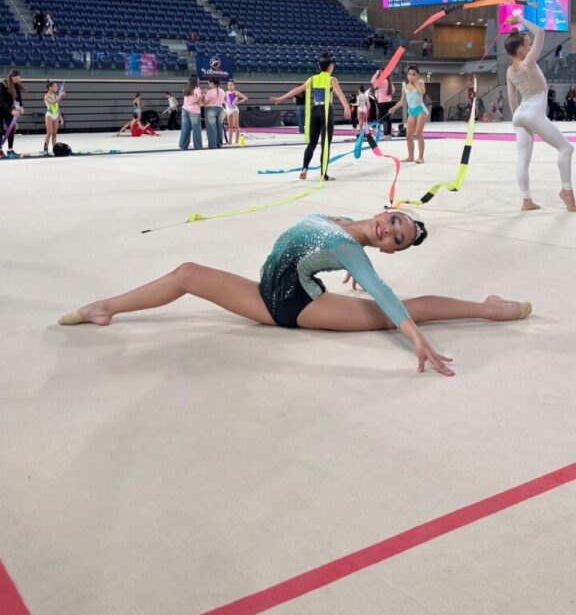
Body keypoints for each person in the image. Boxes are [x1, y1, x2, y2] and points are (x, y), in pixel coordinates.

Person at [58, 210, 533, 377]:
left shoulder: (351, 249)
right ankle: (104, 307)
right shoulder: (338, 224)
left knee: (402, 311)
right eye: (395, 222)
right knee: (187, 273)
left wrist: (416, 340)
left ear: (390, 250)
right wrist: (351, 268)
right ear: (386, 210)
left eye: (397, 239)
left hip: (297, 306)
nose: (389, 231)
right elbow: (320, 249)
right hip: (266, 295)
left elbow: (382, 289)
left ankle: (491, 310)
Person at [505, 13, 575, 212]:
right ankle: (566, 192)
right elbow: (540, 32)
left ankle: (526, 200)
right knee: (566, 149)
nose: (531, 47)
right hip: (533, 112)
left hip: (520, 114)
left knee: (523, 159)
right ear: (522, 50)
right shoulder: (528, 62)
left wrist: (518, 119)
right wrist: (520, 21)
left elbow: (512, 100)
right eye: (529, 44)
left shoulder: (510, 71)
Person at [270, 53, 351, 181]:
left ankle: (304, 169)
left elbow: (297, 90)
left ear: (319, 66)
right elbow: (339, 94)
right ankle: (323, 174)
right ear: (330, 66)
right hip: (326, 111)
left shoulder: (313, 78)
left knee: (311, 143)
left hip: (315, 111)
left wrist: (281, 98)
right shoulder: (332, 79)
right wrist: (346, 106)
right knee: (325, 144)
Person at [388, 65, 428, 163]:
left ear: (417, 75)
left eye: (414, 74)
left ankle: (421, 157)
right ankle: (410, 157)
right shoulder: (404, 87)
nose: (411, 76)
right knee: (408, 135)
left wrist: (415, 83)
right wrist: (394, 108)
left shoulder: (420, 83)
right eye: (409, 74)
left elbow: (422, 92)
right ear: (407, 75)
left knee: (418, 133)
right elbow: (402, 101)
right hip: (411, 111)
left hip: (421, 110)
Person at [0, 69, 24, 158]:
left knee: (11, 128)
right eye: (15, 79)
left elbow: (18, 97)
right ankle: (0, 151)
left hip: (8, 110)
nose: (17, 81)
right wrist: (11, 111)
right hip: (1, 108)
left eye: (18, 79)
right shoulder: (2, 84)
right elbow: (1, 101)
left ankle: (10, 150)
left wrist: (21, 106)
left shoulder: (16, 84)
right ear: (10, 77)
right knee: (0, 130)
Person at [179, 76, 203, 150]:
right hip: (194, 111)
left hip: (185, 109)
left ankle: (183, 145)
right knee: (196, 129)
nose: (199, 81)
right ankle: (198, 146)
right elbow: (200, 96)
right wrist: (196, 101)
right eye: (198, 80)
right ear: (195, 81)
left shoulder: (185, 88)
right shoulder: (197, 89)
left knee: (185, 128)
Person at [44, 80, 66, 155]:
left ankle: (55, 149)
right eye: (55, 86)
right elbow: (53, 102)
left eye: (56, 86)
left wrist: (60, 117)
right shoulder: (46, 96)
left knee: (54, 134)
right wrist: (60, 96)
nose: (56, 88)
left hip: (56, 115)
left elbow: (57, 106)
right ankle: (45, 149)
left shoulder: (55, 96)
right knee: (49, 133)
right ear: (50, 87)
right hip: (49, 115)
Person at [371, 68, 395, 136]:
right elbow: (393, 91)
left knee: (384, 119)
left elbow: (372, 81)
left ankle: (386, 134)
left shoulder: (382, 81)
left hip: (382, 102)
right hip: (389, 102)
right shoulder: (389, 81)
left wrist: (377, 73)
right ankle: (388, 133)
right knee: (388, 118)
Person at [203, 78, 226, 149]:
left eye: (209, 83)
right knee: (219, 128)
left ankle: (213, 145)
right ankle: (219, 144)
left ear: (212, 83)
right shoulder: (222, 91)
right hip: (220, 110)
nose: (208, 85)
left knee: (211, 128)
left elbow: (204, 102)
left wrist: (204, 95)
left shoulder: (209, 92)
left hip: (211, 109)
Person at [225, 80, 248, 145]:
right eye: (229, 85)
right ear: (227, 86)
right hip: (228, 109)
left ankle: (236, 141)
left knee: (236, 125)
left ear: (234, 86)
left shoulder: (236, 92)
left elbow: (245, 98)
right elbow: (221, 99)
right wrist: (225, 103)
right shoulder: (225, 93)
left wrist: (237, 102)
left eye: (231, 85)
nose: (230, 86)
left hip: (234, 110)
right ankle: (230, 141)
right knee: (230, 126)